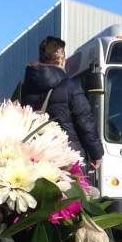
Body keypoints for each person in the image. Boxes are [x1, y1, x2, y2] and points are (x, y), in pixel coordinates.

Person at [17, 36, 104, 169]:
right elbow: (85, 121)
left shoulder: (24, 89)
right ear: (62, 58)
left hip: (35, 158)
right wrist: (96, 153)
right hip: (67, 157)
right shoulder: (71, 86)